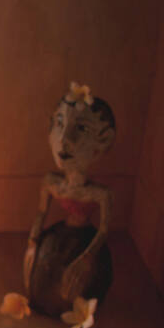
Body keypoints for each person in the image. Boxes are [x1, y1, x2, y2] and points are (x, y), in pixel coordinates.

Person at [23, 83, 115, 315]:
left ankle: (75, 310)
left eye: (81, 129)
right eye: (60, 124)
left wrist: (87, 258)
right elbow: (41, 213)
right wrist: (33, 240)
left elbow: (103, 231)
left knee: (73, 281)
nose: (65, 139)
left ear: (103, 140)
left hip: (85, 246)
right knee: (38, 265)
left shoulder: (99, 195)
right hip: (55, 240)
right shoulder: (52, 182)